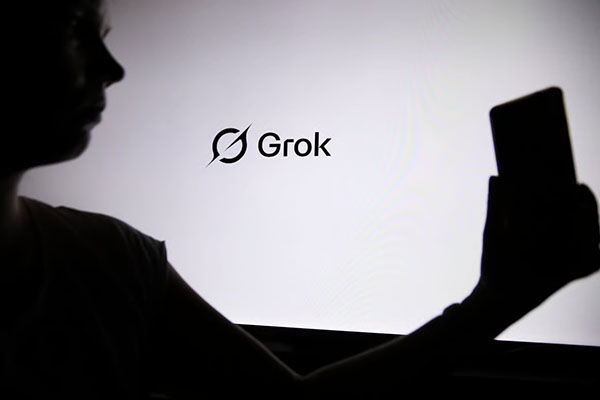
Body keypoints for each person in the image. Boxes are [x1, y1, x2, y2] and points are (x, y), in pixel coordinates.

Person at [1, 1, 598, 398]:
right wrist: (492, 307)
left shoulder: (116, 263)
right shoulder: (109, 264)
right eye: (75, 26)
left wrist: (496, 303)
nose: (113, 69)